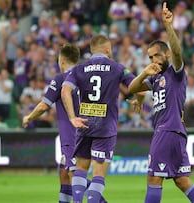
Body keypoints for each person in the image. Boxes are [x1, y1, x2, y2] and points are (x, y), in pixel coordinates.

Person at [127, 2, 194, 203]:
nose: (153, 59)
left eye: (156, 55)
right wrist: (144, 73)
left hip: (166, 130)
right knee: (181, 180)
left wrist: (168, 26)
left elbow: (178, 53)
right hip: (175, 132)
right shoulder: (154, 79)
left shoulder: (175, 73)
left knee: (154, 177)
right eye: (150, 57)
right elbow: (133, 88)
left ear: (167, 54)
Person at [61, 35, 143, 203]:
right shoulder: (117, 68)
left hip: (84, 125)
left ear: (92, 50)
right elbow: (139, 88)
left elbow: (65, 91)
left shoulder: (79, 69)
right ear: (107, 50)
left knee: (80, 169)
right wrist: (138, 101)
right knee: (98, 174)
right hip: (105, 127)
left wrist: (72, 117)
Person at [22, 44, 107, 203]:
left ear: (61, 61)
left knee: (75, 176)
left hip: (72, 137)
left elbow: (43, 106)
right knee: (64, 171)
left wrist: (29, 117)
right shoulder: (86, 77)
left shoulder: (61, 79)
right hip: (89, 133)